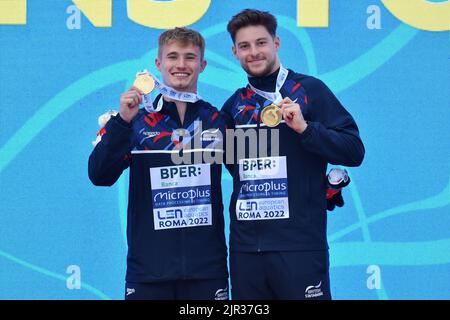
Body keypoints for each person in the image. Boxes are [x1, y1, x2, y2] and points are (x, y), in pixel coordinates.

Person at [221, 9, 365, 300]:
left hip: (299, 246)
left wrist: (305, 129)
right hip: (246, 251)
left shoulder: (310, 91)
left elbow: (353, 150)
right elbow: (235, 169)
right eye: (245, 46)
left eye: (261, 43)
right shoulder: (233, 107)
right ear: (235, 52)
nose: (254, 52)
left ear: (276, 43)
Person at [88, 27, 229, 300]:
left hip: (207, 271)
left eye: (190, 57)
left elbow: (252, 172)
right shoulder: (136, 121)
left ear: (202, 65)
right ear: (158, 64)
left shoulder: (217, 121)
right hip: (149, 272)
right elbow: (99, 174)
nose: (180, 65)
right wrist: (121, 122)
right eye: (172, 56)